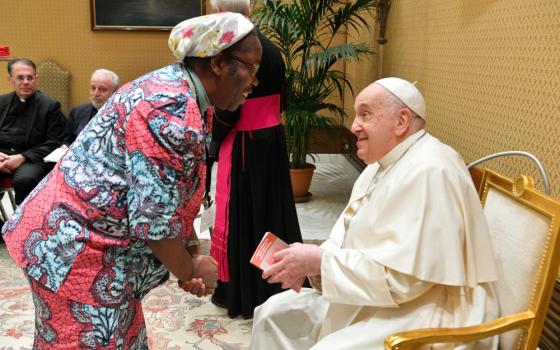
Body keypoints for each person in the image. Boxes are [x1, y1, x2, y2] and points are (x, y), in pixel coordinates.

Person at [1, 12, 261, 348]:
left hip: (88, 252)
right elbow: (153, 224)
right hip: (75, 256)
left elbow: (173, 193)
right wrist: (189, 268)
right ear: (217, 63)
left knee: (125, 338)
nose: (255, 80)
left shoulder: (180, 88)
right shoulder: (170, 110)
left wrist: (190, 252)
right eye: (251, 67)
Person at [249, 78, 500, 349]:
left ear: (401, 121)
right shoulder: (377, 166)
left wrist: (320, 263)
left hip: (428, 310)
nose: (354, 126)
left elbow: (406, 281)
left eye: (365, 114)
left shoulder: (432, 170)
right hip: (375, 294)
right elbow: (344, 235)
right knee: (271, 314)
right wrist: (312, 266)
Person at [208, 0, 304, 319]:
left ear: (221, 12)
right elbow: (285, 99)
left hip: (244, 143)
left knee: (243, 217)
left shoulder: (235, 50)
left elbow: (226, 108)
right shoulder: (272, 48)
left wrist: (213, 144)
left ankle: (242, 293)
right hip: (272, 140)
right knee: (271, 212)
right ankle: (276, 288)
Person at [0, 58, 66, 205]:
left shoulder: (50, 105)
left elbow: (54, 143)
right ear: (10, 79)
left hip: (31, 158)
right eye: (20, 77)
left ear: (36, 79)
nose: (25, 82)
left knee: (26, 180)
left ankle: (23, 222)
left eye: (29, 77)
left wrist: (22, 157)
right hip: (3, 155)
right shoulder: (1, 102)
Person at [63, 68, 119, 145]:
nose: (96, 93)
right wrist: (65, 146)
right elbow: (66, 141)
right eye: (93, 88)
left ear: (115, 92)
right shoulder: (77, 112)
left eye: (102, 89)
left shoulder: (123, 116)